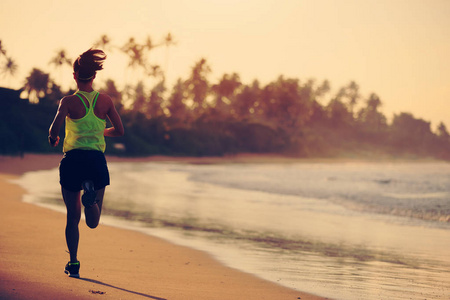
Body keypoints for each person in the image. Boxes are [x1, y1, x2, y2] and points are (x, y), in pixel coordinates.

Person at [48, 48, 124, 278]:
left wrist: (54, 138)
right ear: (94, 76)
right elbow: (119, 131)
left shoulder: (68, 101)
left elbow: (54, 129)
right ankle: (91, 202)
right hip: (95, 161)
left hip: (72, 160)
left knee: (73, 217)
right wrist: (101, 131)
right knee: (92, 221)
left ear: (74, 75)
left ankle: (73, 263)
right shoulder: (105, 101)